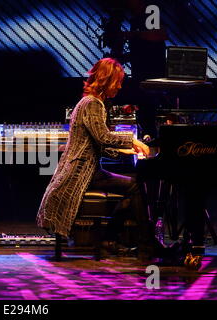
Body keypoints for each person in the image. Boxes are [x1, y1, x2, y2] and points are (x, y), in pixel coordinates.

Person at [37, 58, 162, 261]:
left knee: (133, 187)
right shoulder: (93, 103)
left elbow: (98, 144)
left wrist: (125, 151)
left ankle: (114, 240)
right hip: (79, 174)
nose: (120, 86)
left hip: (87, 170)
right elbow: (103, 137)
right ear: (107, 80)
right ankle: (143, 246)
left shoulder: (92, 102)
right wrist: (133, 142)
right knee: (135, 187)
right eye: (118, 81)